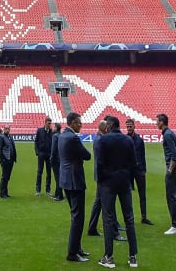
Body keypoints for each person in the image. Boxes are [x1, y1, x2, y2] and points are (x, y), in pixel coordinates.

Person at [96, 116, 140, 269]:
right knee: (129, 218)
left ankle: (109, 257)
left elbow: (99, 163)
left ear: (110, 125)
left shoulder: (104, 140)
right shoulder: (128, 140)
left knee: (108, 218)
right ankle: (133, 256)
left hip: (108, 182)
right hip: (124, 181)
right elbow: (134, 163)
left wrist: (102, 180)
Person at [58, 112, 93, 262]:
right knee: (78, 217)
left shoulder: (61, 136)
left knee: (75, 215)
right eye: (79, 123)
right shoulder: (73, 138)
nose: (81, 125)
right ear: (72, 123)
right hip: (75, 181)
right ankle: (72, 253)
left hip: (66, 180)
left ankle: (77, 248)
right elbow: (87, 155)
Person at [88, 120, 124, 241]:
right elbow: (101, 161)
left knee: (99, 202)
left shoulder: (99, 139)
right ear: (104, 128)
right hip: (104, 177)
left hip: (101, 176)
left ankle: (92, 227)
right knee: (108, 205)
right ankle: (113, 232)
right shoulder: (100, 140)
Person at [125, 118, 152, 225]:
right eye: (127, 126)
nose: (129, 128)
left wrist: (144, 169)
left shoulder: (139, 140)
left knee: (142, 194)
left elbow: (142, 155)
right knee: (127, 195)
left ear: (134, 126)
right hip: (128, 171)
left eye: (130, 126)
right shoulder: (125, 139)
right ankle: (129, 217)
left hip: (139, 170)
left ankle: (144, 217)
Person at [34, 117, 55, 196]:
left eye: (50, 123)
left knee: (49, 173)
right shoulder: (39, 131)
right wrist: (37, 152)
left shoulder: (52, 132)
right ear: (45, 122)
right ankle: (38, 190)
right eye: (48, 123)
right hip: (41, 154)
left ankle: (48, 190)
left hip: (49, 154)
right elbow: (36, 141)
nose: (50, 125)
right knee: (40, 172)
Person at [0, 125, 17, 199]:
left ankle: (6, 192)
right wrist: (3, 159)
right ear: (4, 129)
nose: (7, 130)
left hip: (11, 160)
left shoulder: (10, 137)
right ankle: (2, 194)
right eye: (6, 128)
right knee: (4, 177)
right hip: (5, 160)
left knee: (7, 177)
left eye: (8, 128)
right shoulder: (1, 138)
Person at [49, 121, 64, 201]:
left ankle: (60, 195)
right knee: (59, 177)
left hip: (55, 159)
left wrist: (51, 157)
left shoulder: (55, 136)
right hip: (61, 159)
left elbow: (53, 148)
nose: (53, 128)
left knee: (57, 177)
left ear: (56, 128)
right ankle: (57, 193)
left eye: (54, 127)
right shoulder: (61, 135)